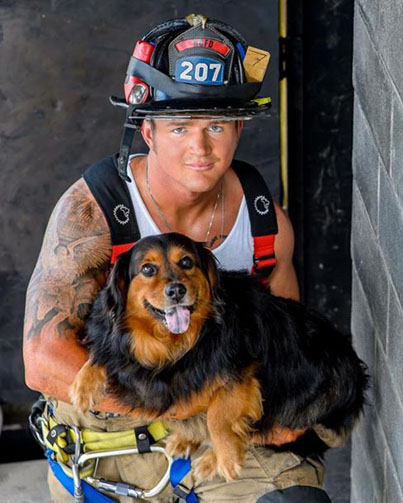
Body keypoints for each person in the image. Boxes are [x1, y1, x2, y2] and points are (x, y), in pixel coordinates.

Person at [23, 14, 340, 503]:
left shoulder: (264, 224)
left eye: (216, 125)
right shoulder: (95, 210)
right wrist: (183, 407)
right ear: (147, 131)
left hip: (225, 423)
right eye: (179, 127)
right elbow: (42, 362)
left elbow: (281, 350)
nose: (201, 147)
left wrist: (287, 415)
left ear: (237, 130)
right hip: (110, 431)